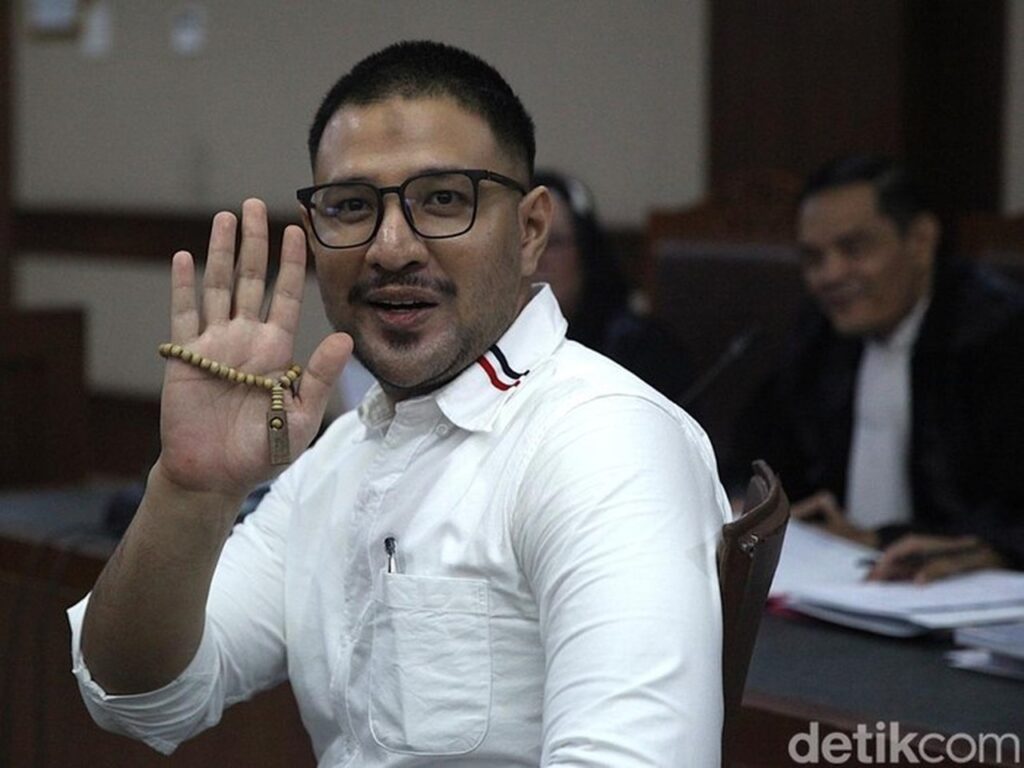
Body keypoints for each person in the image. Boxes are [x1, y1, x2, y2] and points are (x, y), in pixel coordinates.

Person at [67, 41, 729, 766]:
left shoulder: (602, 441)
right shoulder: (343, 454)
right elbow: (136, 695)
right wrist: (189, 490)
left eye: (443, 199)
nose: (390, 248)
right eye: (352, 206)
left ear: (530, 230)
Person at [735, 154, 1024, 583]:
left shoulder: (1000, 335)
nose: (829, 275)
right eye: (813, 258)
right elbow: (764, 460)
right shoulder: (818, 334)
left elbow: (1007, 514)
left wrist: (884, 539)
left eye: (853, 249)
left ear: (921, 240)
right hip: (843, 584)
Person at [532, 169, 694, 400]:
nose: (535, 257)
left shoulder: (640, 349)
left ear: (587, 254)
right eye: (523, 241)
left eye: (553, 242)